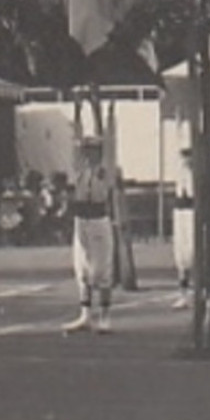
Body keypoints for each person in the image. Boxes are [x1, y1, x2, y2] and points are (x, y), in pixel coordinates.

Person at [63, 86, 118, 334]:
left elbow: (109, 143)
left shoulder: (104, 170)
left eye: (92, 150)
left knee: (101, 269)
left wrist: (98, 109)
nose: (88, 154)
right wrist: (77, 109)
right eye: (86, 150)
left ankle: (105, 315)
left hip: (98, 219)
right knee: (82, 267)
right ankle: (85, 314)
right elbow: (74, 140)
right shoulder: (79, 169)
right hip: (80, 221)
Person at [171, 145, 195, 309]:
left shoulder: (198, 174)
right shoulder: (180, 174)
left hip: (192, 212)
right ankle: (183, 294)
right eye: (183, 155)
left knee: (194, 252)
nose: (186, 159)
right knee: (181, 255)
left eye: (189, 155)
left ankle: (201, 293)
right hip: (180, 212)